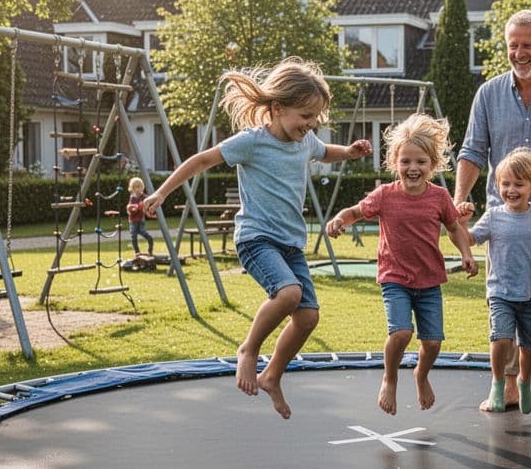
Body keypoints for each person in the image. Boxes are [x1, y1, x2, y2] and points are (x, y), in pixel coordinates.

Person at [142, 57, 371, 419]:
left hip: (290, 243)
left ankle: (273, 375)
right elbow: (201, 160)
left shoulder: (306, 140)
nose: (311, 125)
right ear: (278, 108)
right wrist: (161, 193)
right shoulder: (252, 142)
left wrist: (350, 153)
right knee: (290, 294)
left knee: (308, 317)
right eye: (305, 116)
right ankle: (248, 350)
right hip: (256, 238)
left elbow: (325, 152)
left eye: (315, 118)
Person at [454, 10, 531, 413]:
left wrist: (529, 178)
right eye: (513, 46)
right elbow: (472, 152)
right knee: (502, 301)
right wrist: (459, 201)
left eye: (527, 45)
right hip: (501, 223)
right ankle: (506, 383)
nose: (519, 53)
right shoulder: (488, 94)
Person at [326, 113, 478, 415]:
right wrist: (339, 219)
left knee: (433, 343)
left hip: (429, 280)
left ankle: (421, 374)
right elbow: (355, 211)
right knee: (401, 333)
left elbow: (453, 228)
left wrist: (466, 253)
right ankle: (390, 377)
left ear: (432, 165)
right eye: (406, 161)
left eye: (420, 162)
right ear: (395, 162)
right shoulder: (384, 195)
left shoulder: (439, 197)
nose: (412, 168)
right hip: (394, 278)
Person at [467, 147, 531, 414]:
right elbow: (469, 239)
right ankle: (498, 384)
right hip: (501, 292)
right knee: (500, 339)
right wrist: (457, 223)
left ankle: (524, 381)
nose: (511, 190)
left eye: (518, 184)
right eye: (505, 184)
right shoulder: (493, 216)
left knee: (530, 344)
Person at [125, 176, 154, 257]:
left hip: (141, 220)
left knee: (145, 234)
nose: (137, 189)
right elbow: (129, 207)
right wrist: (133, 208)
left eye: (139, 187)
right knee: (133, 236)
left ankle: (150, 250)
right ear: (132, 189)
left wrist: (148, 212)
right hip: (133, 220)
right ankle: (137, 252)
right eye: (135, 188)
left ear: (142, 187)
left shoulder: (144, 197)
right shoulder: (132, 197)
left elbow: (146, 206)